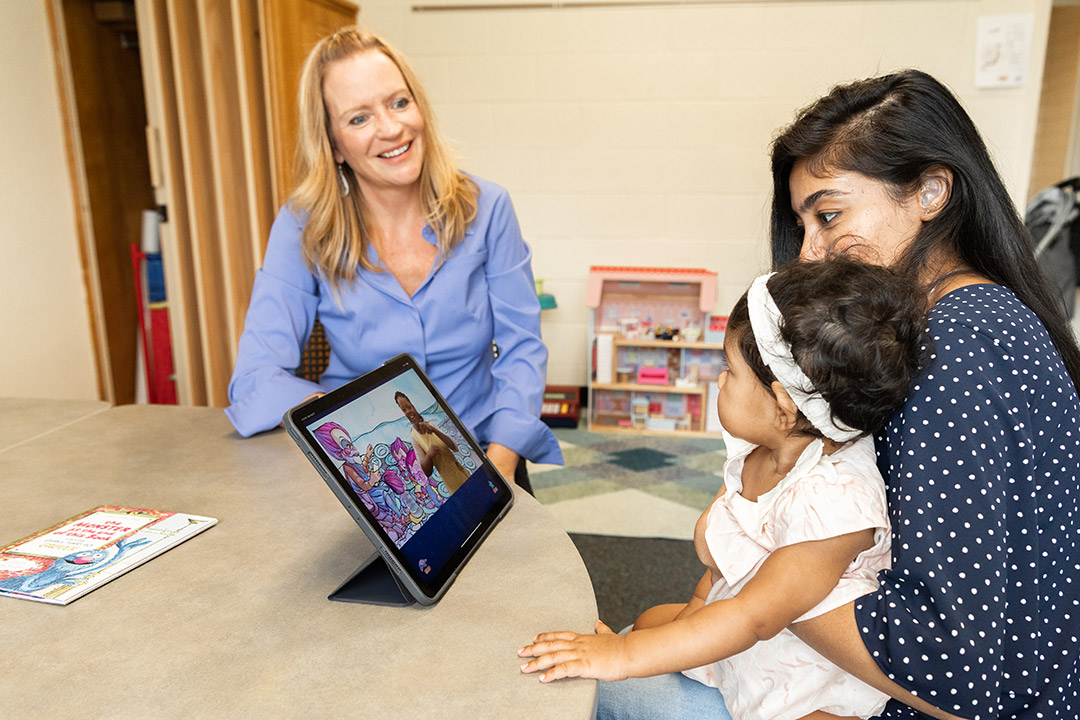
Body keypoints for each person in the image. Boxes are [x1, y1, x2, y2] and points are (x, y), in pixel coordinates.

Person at [766, 70, 1080, 718]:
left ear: (931, 191)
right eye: (803, 225)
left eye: (828, 215)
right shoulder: (989, 315)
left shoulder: (950, 351)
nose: (810, 251)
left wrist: (759, 585)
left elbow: (948, 669)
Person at [520, 257, 939, 720]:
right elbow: (725, 566)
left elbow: (754, 616)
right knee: (648, 622)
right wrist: (676, 627)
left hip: (803, 681)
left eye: (730, 370)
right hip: (746, 628)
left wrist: (622, 657)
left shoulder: (836, 501)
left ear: (782, 404)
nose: (718, 379)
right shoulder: (762, 450)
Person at [224, 26, 561, 489]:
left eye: (399, 103)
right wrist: (351, 417)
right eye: (359, 119)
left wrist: (500, 467)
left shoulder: (489, 207)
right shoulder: (302, 225)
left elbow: (521, 347)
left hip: (486, 451)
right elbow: (255, 377)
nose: (391, 128)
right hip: (372, 470)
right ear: (335, 144)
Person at [395, 391, 471, 493]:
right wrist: (429, 455)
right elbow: (427, 472)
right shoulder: (414, 437)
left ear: (413, 406)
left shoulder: (430, 424)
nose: (408, 411)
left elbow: (454, 447)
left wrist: (434, 430)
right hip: (452, 484)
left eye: (409, 407)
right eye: (404, 410)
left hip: (462, 473)